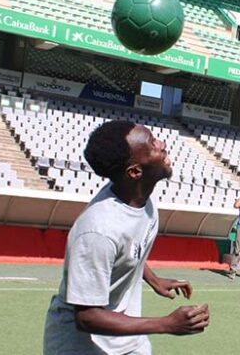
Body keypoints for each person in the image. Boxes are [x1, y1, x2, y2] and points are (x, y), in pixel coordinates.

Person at [44, 121, 209, 355]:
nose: (162, 145)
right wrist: (167, 324)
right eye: (152, 145)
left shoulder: (143, 200)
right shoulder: (97, 231)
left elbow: (130, 248)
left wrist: (153, 279)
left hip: (129, 342)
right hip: (81, 345)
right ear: (135, 172)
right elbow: (87, 317)